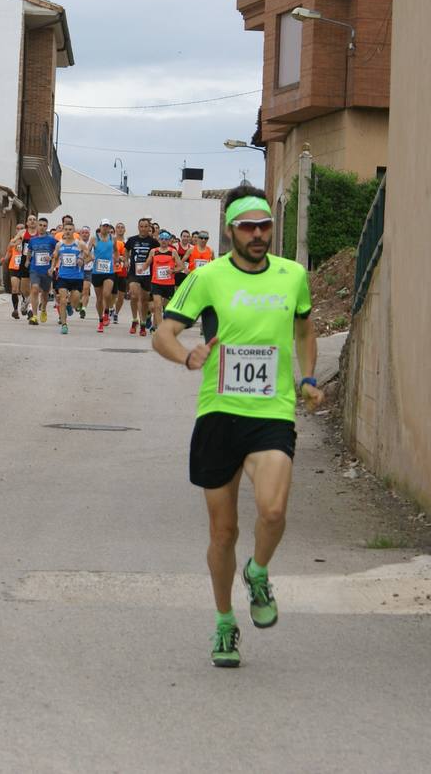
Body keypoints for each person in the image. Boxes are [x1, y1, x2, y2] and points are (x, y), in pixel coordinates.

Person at [150, 185, 324, 668]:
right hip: (219, 414)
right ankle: (225, 622)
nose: (258, 235)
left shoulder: (293, 276)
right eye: (248, 227)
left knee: (272, 511)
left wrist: (308, 377)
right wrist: (188, 356)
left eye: (264, 226)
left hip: (272, 411)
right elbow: (162, 334)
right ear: (230, 230)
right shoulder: (207, 277)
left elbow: (305, 330)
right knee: (223, 531)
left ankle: (259, 570)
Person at [124, 218, 158, 336]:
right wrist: (126, 261)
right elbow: (126, 250)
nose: (143, 229)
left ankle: (143, 323)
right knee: (134, 295)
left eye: (145, 226)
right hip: (134, 272)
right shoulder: (132, 240)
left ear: (149, 228)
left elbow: (158, 254)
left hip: (147, 274)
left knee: (144, 300)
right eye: (141, 226)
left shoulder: (153, 242)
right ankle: (134, 320)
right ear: (138, 227)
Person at [51, 226, 88, 334]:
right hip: (63, 276)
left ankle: (71, 305)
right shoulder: (59, 244)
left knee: (74, 302)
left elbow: (90, 257)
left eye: (70, 230)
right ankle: (64, 324)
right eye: (66, 229)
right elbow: (56, 257)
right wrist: (52, 267)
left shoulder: (79, 244)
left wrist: (82, 260)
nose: (67, 231)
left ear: (74, 231)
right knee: (62, 299)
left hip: (77, 277)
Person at [144, 230, 179, 329]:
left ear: (169, 241)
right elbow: (147, 264)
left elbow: (180, 267)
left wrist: (173, 271)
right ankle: (159, 329)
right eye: (162, 239)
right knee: (157, 306)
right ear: (159, 240)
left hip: (169, 284)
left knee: (166, 308)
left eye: (166, 239)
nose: (164, 241)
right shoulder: (154, 251)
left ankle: (158, 326)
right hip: (156, 283)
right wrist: (141, 269)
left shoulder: (173, 252)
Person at [25, 217, 57, 325]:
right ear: (37, 226)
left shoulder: (51, 239)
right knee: (34, 289)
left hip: (46, 271)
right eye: (41, 225)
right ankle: (34, 316)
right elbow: (29, 251)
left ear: (47, 227)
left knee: (45, 293)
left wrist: (52, 256)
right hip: (35, 269)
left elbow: (59, 250)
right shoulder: (32, 240)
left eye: (44, 226)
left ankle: (43, 309)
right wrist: (28, 260)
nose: (42, 227)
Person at [89, 220, 118, 332]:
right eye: (104, 226)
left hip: (109, 271)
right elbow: (88, 250)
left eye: (107, 226)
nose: (105, 228)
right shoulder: (94, 238)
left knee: (107, 294)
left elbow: (116, 251)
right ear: (100, 226)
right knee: (99, 298)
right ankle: (100, 320)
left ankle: (106, 312)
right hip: (96, 272)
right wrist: (88, 257)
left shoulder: (113, 238)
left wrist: (116, 259)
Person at [111, 222, 129, 324]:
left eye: (122, 227)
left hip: (123, 270)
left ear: (124, 230)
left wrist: (124, 258)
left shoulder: (127, 241)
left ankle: (116, 313)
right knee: (111, 293)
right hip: (112, 270)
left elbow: (130, 254)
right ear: (115, 229)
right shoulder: (111, 240)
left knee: (121, 295)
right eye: (118, 227)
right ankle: (110, 308)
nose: (120, 229)